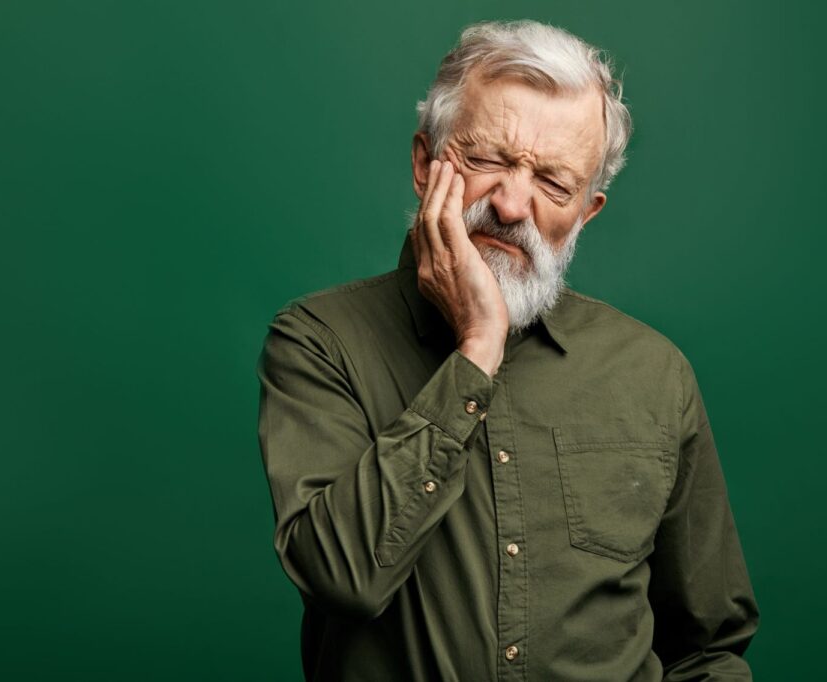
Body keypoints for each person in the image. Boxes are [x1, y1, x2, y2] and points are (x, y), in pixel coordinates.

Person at [257, 20, 759, 681]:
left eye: (554, 182)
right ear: (422, 163)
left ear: (587, 211)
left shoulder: (654, 374)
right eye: (488, 159)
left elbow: (709, 646)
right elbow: (342, 577)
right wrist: (477, 347)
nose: (512, 203)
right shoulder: (319, 342)